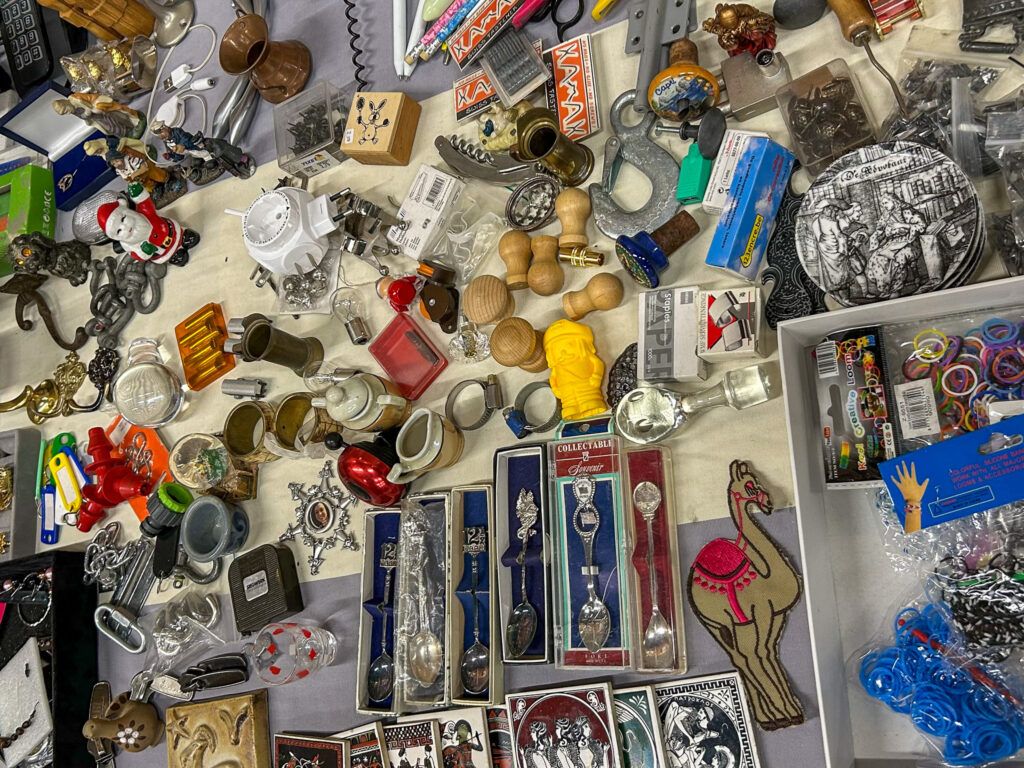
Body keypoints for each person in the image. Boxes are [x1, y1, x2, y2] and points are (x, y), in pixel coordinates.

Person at [151, 120, 256, 182]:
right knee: (203, 164)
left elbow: (186, 138)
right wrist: (171, 156)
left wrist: (182, 145)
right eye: (159, 134)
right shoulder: (167, 142)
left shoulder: (177, 132)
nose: (162, 135)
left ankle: (244, 160)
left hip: (201, 149)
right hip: (195, 154)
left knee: (223, 152)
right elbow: (179, 155)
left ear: (165, 128)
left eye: (162, 132)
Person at [52, 93, 146, 138]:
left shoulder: (77, 98)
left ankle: (134, 125)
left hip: (104, 111)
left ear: (65, 103)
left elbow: (94, 97)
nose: (68, 113)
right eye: (65, 113)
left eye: (66, 110)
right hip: (98, 119)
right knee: (110, 129)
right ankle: (128, 133)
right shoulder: (73, 110)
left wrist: (96, 108)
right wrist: (87, 117)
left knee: (121, 117)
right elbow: (84, 116)